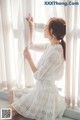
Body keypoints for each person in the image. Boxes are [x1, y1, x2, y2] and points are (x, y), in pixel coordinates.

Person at [8, 15, 67, 119]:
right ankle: (11, 114)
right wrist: (31, 27)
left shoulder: (55, 52)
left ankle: (6, 115)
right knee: (12, 97)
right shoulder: (52, 45)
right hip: (40, 90)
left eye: (46, 27)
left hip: (44, 95)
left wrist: (29, 58)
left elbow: (38, 76)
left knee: (12, 108)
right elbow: (32, 45)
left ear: (52, 32)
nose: (44, 28)